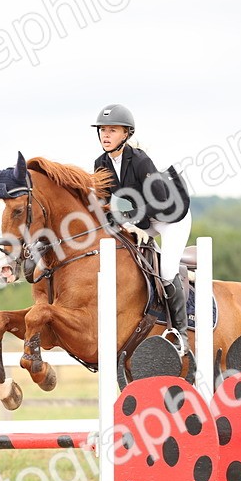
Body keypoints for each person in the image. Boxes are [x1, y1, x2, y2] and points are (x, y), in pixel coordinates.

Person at [91, 103, 193, 348]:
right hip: (142, 221)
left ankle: (181, 333)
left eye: (112, 130)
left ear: (126, 134)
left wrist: (127, 216)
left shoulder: (140, 160)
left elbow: (159, 200)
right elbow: (104, 201)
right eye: (103, 130)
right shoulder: (100, 163)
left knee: (166, 271)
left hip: (171, 218)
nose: (106, 135)